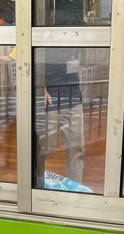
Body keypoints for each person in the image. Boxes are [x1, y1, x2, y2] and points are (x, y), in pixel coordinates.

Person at [35, 48, 86, 187]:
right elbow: (33, 63)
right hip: (49, 99)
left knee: (76, 147)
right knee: (43, 148)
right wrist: (41, 89)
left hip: (73, 96)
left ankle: (75, 187)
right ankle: (36, 183)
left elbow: (79, 58)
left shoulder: (75, 41)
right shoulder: (44, 41)